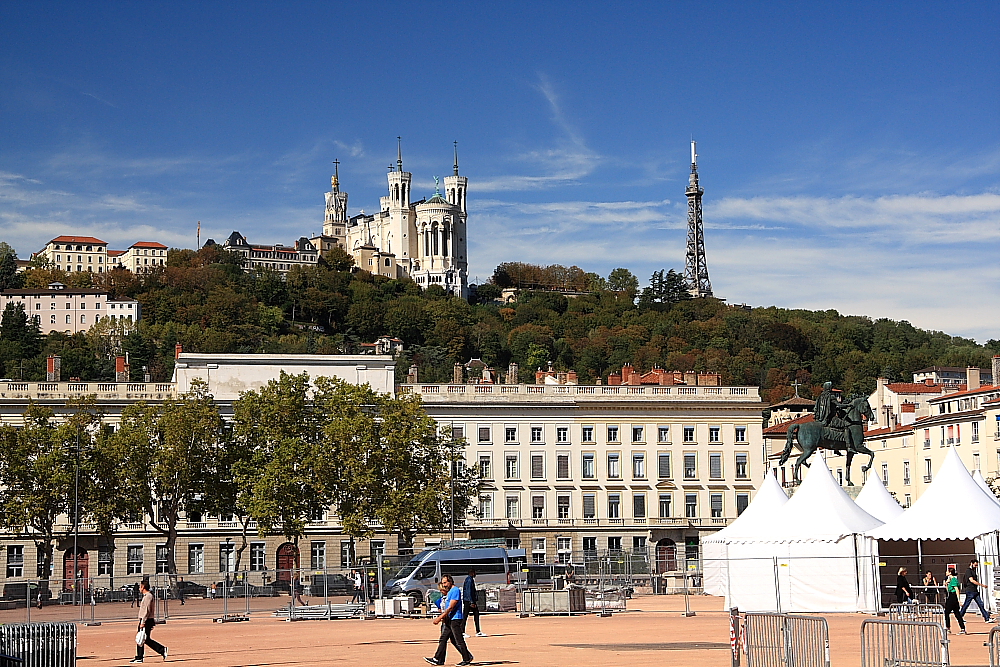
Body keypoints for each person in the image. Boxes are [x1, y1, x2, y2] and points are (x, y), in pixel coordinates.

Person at [424, 575, 473, 666]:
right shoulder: (450, 591)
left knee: (459, 640)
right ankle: (437, 658)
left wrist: (440, 618)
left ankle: (466, 659)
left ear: (450, 582)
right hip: (449, 619)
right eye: (443, 583)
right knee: (443, 639)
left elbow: (451, 607)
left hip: (455, 619)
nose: (444, 585)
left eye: (445, 583)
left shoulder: (455, 591)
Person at [131, 579, 168, 663]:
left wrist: (143, 622)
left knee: (141, 638)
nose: (139, 589)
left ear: (143, 587)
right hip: (146, 619)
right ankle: (160, 650)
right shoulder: (147, 596)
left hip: (147, 620)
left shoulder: (148, 596)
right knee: (144, 639)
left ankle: (140, 657)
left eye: (140, 587)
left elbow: (146, 610)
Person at [463, 569, 487, 638]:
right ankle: (462, 631)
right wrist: (472, 602)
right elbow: (469, 591)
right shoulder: (469, 580)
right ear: (472, 573)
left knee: (475, 614)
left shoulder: (469, 579)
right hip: (469, 601)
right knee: (466, 616)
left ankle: (478, 631)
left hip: (469, 600)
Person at [944, 567, 967, 635]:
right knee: (957, 613)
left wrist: (958, 600)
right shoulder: (950, 580)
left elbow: (957, 589)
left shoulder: (954, 579)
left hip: (953, 597)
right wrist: (946, 584)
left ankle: (948, 628)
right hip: (951, 595)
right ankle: (962, 628)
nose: (946, 572)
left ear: (950, 572)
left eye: (947, 571)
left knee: (947, 612)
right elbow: (948, 589)